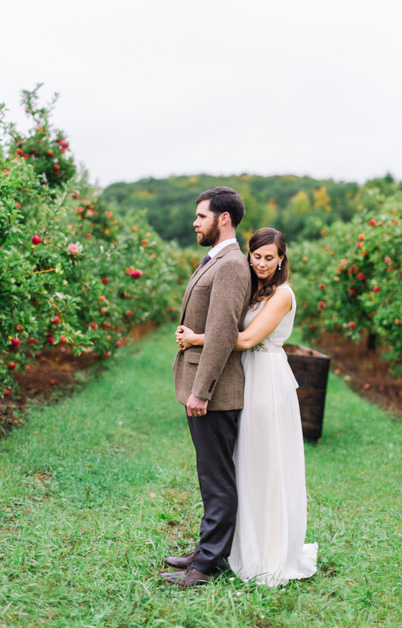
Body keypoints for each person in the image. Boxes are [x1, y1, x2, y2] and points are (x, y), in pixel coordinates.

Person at [176, 227, 318, 587]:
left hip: (267, 380)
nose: (261, 263)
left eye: (270, 257)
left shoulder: (283, 294)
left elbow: (248, 338)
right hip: (244, 377)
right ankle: (229, 547)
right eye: (256, 256)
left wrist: (196, 338)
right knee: (241, 465)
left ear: (282, 259)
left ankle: (266, 553)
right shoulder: (257, 290)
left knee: (264, 464)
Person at [162, 187, 251, 587]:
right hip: (203, 388)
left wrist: (202, 390)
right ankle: (206, 548)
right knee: (209, 473)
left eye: (201, 216)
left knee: (217, 478)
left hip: (215, 393)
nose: (195, 223)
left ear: (224, 219)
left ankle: (209, 563)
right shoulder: (217, 260)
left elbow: (220, 333)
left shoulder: (231, 264)